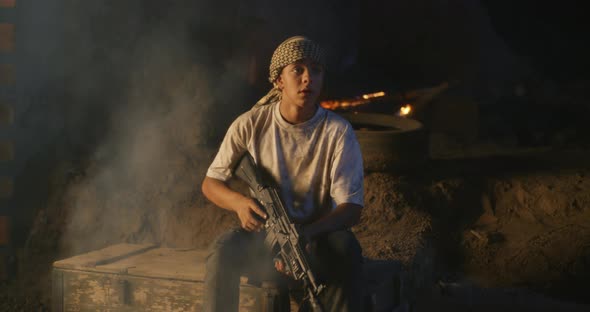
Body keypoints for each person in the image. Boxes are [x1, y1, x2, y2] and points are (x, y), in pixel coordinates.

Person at [201, 36, 365, 312]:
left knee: (346, 248)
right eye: (297, 70)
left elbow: (351, 208)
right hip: (263, 239)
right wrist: (240, 204)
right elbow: (210, 183)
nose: (307, 79)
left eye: (316, 70)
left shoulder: (338, 132)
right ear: (279, 81)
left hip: (315, 240)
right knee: (222, 251)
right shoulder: (250, 124)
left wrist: (307, 234)